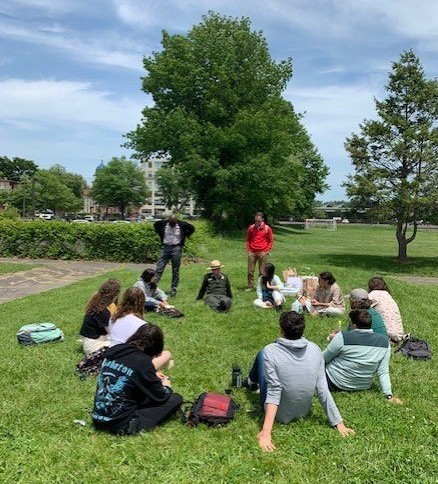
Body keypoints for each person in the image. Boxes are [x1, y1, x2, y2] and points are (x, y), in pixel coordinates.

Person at [245, 311, 354, 452]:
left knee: (261, 355)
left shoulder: (270, 351)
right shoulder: (315, 349)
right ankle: (250, 381)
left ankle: (250, 381)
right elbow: (322, 389)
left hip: (279, 414)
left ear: (281, 330)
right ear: (302, 329)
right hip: (304, 411)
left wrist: (266, 432)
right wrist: (339, 423)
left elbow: (274, 390)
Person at [92, 324, 183, 435]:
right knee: (175, 398)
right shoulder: (142, 362)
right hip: (121, 424)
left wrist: (151, 375)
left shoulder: (116, 350)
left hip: (97, 418)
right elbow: (160, 396)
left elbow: (128, 374)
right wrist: (166, 386)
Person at [323, 309, 402, 404]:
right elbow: (383, 371)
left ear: (354, 325)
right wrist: (388, 395)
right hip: (362, 385)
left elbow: (323, 359)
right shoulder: (384, 342)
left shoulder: (342, 337)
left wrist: (331, 339)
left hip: (334, 381)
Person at [108, 287, 171, 370]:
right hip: (128, 364)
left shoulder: (113, 318)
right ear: (142, 303)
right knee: (166, 354)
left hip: (110, 358)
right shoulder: (142, 325)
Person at [153, 214, 195, 297]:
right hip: (165, 248)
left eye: (174, 224)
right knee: (159, 268)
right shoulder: (163, 224)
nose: (172, 225)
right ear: (168, 221)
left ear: (176, 222)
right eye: (171, 224)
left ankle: (173, 289)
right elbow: (155, 225)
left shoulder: (182, 224)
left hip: (176, 248)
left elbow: (192, 228)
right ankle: (152, 287)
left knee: (175, 270)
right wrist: (159, 233)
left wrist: (187, 235)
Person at [79, 278, 121, 355]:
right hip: (93, 346)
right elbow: (111, 334)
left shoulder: (95, 305)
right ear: (115, 296)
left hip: (90, 342)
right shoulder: (102, 312)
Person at [368, 277, 405, 343]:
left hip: (385, 335)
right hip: (399, 334)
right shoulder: (387, 295)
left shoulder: (373, 294)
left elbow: (362, 305)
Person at [246, 212, 274, 291]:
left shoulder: (267, 228)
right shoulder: (251, 228)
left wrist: (267, 250)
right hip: (252, 251)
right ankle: (250, 286)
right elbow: (248, 239)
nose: (257, 223)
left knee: (262, 272)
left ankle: (261, 286)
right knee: (250, 271)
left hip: (262, 252)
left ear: (262, 220)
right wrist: (248, 249)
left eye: (259, 221)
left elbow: (270, 241)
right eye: (256, 221)